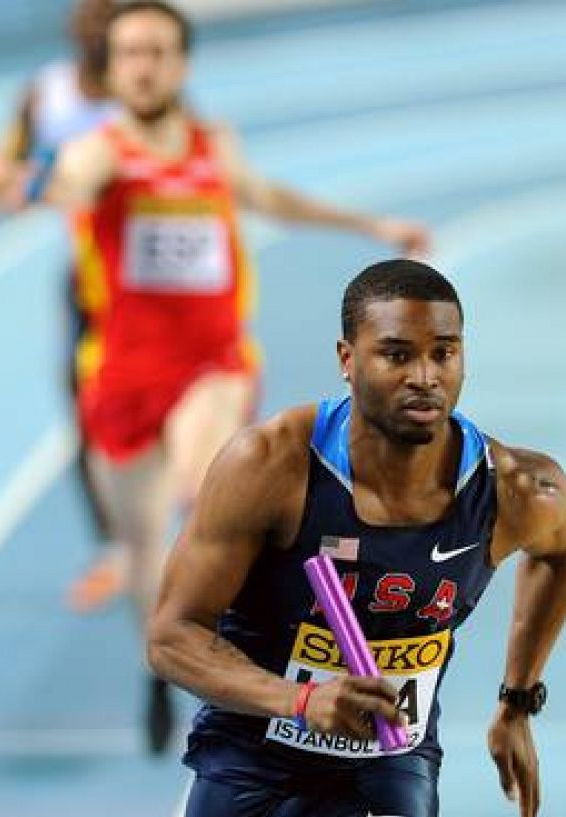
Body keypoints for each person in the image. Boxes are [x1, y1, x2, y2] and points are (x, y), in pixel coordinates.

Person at [146, 259, 566, 817]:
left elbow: (565, 551)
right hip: (248, 774)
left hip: (379, 775)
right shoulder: (271, 467)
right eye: (397, 354)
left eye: (444, 353)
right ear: (348, 359)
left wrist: (518, 699)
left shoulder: (519, 488)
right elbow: (171, 635)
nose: (426, 376)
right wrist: (300, 700)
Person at [49, 0, 431, 753]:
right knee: (139, 548)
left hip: (211, 361)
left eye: (158, 51)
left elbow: (269, 198)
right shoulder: (98, 154)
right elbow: (71, 183)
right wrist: (57, 188)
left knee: (199, 486)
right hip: (123, 374)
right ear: (112, 68)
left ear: (181, 64)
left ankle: (238, 640)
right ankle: (157, 663)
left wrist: (368, 226)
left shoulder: (210, 144)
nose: (144, 65)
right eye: (130, 54)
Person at [2, 0, 125, 612]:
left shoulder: (144, 88)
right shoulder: (44, 92)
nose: (95, 26)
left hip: (151, 287)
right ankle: (112, 546)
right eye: (88, 14)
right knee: (84, 411)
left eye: (108, 14)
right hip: (87, 282)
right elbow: (11, 171)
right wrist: (34, 183)